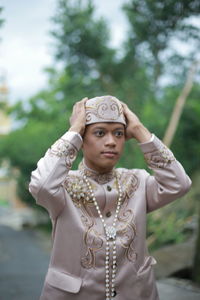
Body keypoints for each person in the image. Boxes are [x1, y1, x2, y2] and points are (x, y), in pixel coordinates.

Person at [29, 95, 191, 300]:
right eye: (99, 133)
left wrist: (140, 130)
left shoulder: (138, 182)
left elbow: (180, 184)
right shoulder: (62, 186)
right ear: (82, 139)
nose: (111, 142)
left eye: (119, 133)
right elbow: (41, 184)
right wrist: (73, 131)